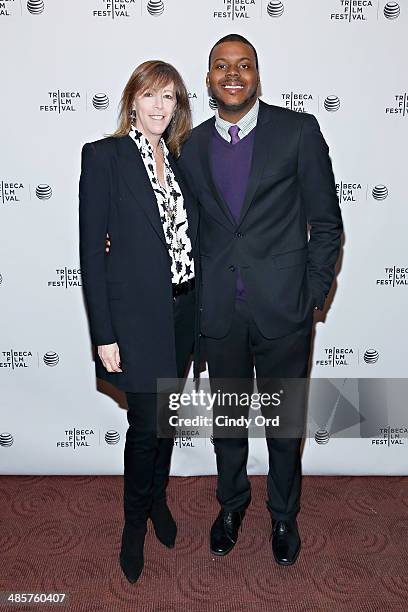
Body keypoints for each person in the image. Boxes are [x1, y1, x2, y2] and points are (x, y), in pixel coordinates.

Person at [178, 34, 343, 565]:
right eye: (221, 67)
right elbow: (184, 227)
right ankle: (231, 505)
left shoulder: (298, 132)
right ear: (208, 80)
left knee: (284, 426)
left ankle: (282, 516)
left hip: (284, 312)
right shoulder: (193, 145)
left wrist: (312, 296)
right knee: (226, 423)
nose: (232, 74)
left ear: (257, 75)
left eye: (243, 65)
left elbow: (326, 222)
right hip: (219, 314)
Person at [79, 60, 198, 583]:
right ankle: (134, 524)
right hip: (136, 319)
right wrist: (103, 334)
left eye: (168, 97)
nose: (158, 106)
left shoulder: (181, 161)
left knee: (166, 422)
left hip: (184, 311)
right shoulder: (104, 157)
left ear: (177, 107)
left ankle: (157, 502)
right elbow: (91, 254)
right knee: (145, 428)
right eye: (149, 95)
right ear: (132, 101)